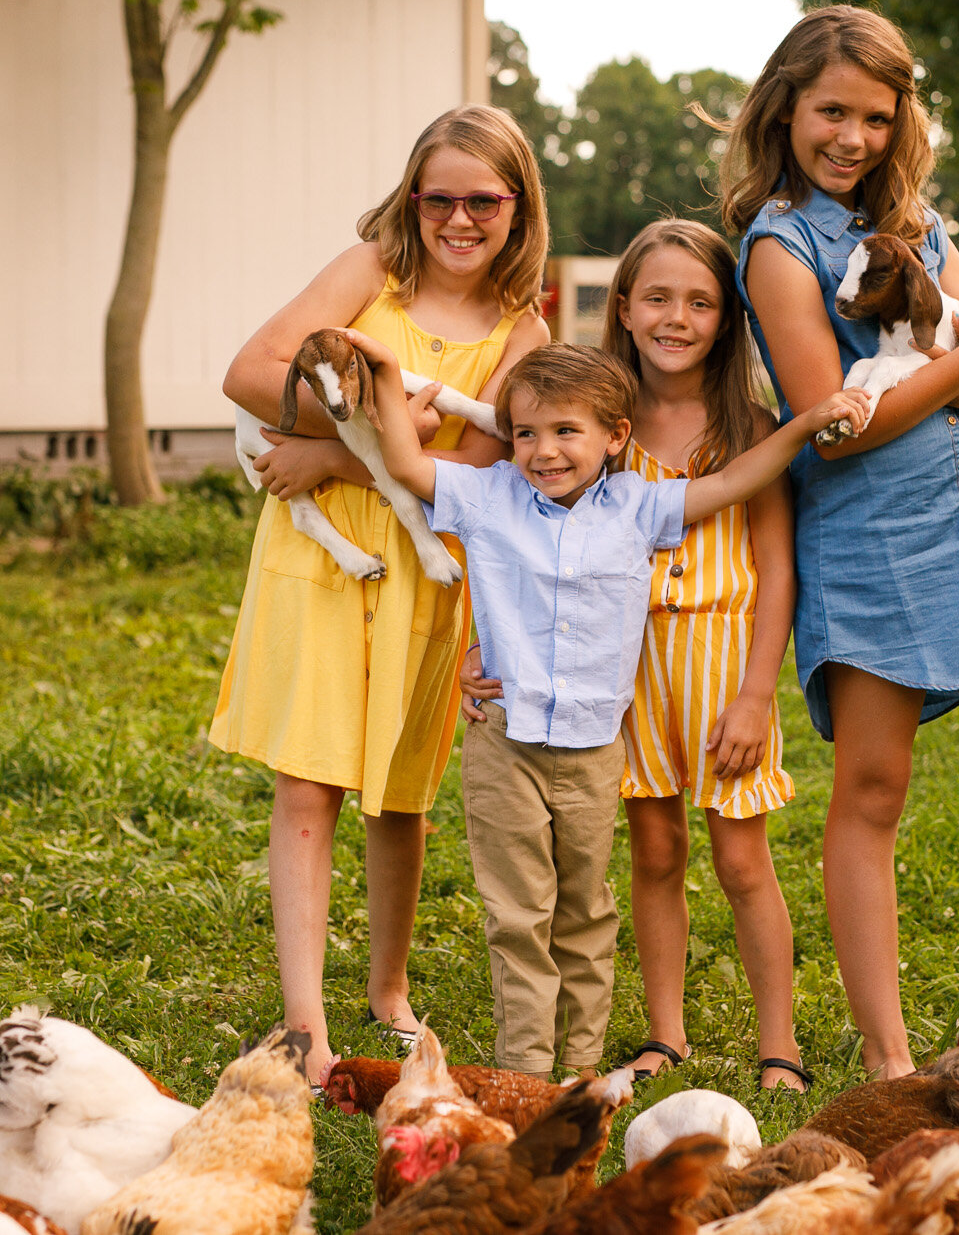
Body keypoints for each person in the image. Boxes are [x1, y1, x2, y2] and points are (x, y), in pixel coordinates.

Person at [722, 6, 959, 1080]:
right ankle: (889, 1061)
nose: (850, 137)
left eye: (875, 117)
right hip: (870, 543)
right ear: (784, 107)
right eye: (830, 111)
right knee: (872, 794)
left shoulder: (921, 226)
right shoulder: (779, 250)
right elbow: (832, 426)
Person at [343, 334, 868, 1079]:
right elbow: (401, 463)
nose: (543, 451)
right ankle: (523, 1068)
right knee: (518, 912)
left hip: (594, 749)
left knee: (586, 908)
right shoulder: (489, 494)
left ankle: (580, 1064)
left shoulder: (639, 506)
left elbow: (739, 480)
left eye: (566, 431)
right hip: (505, 740)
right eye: (525, 432)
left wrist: (802, 424)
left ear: (615, 436)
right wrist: (388, 376)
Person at [210, 105, 551, 1085]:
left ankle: (388, 988)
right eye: (435, 197)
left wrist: (332, 455)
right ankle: (305, 1021)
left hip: (426, 572)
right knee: (309, 781)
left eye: (480, 200)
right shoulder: (371, 275)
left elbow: (481, 473)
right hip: (319, 565)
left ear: (516, 205)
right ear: (411, 199)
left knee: (398, 795)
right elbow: (248, 371)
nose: (457, 218)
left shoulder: (521, 332)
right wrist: (367, 437)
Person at [459, 220, 810, 1091]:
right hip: (624, 670)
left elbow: (777, 568)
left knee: (739, 856)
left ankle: (780, 1042)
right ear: (624, 306)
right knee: (653, 851)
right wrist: (484, 645)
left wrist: (758, 692)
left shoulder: (748, 426)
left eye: (700, 301)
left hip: (724, 663)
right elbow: (523, 549)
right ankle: (665, 1032)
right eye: (657, 297)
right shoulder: (583, 421)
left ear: (728, 318)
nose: (677, 317)